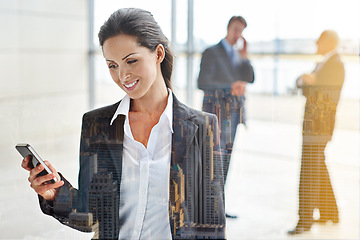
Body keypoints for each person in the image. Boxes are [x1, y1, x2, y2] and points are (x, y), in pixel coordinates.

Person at [21, 8, 226, 239]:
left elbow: (211, 224)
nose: (123, 76)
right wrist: (54, 194)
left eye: (131, 61)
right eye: (113, 65)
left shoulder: (202, 127)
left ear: (158, 54)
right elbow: (91, 215)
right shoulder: (96, 125)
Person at [197, 16, 254, 218]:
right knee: (213, 163)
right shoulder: (211, 52)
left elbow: (251, 78)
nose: (238, 35)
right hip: (217, 115)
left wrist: (245, 56)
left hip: (234, 116)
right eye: (236, 30)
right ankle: (207, 209)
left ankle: (218, 207)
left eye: (241, 31)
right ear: (228, 28)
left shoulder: (239, 55)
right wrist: (230, 87)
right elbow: (202, 82)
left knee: (226, 162)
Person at [288, 30, 344, 234]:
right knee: (318, 167)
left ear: (328, 42)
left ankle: (305, 221)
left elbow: (325, 96)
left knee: (309, 172)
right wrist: (307, 83)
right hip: (316, 126)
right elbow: (305, 86)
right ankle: (331, 213)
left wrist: (309, 83)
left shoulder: (335, 65)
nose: (316, 45)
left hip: (319, 126)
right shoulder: (326, 63)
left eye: (319, 41)